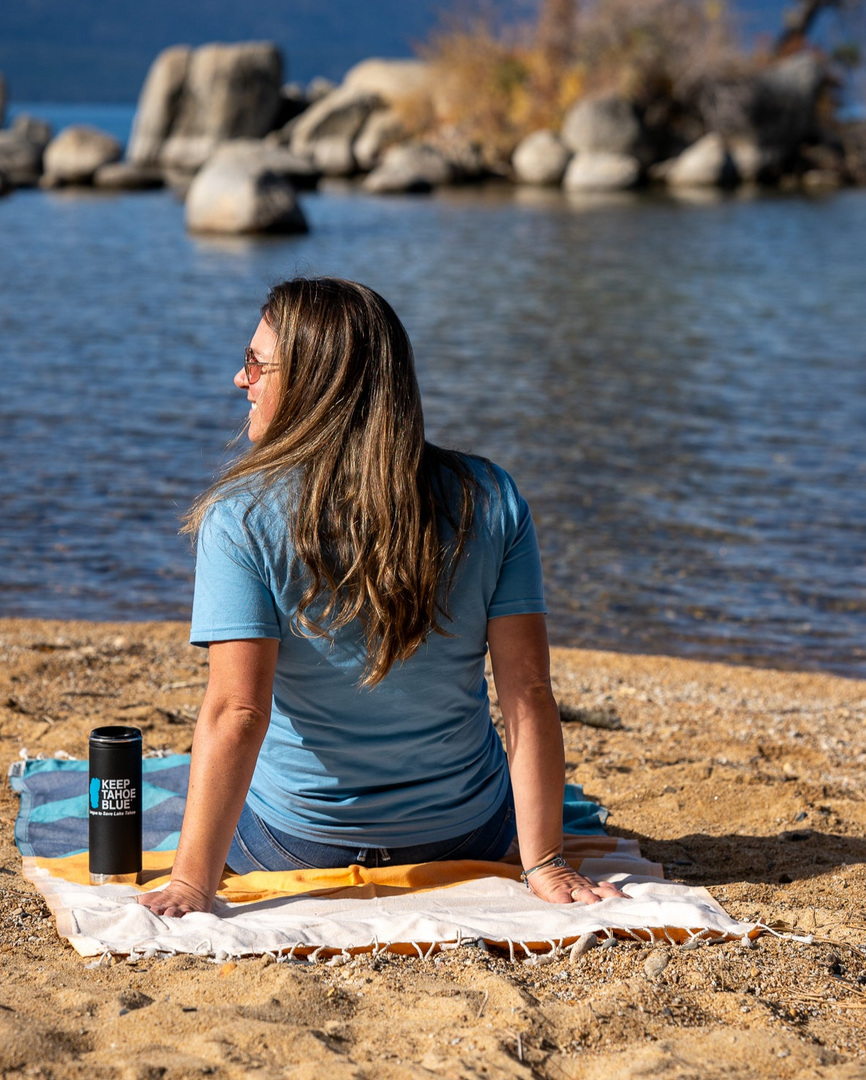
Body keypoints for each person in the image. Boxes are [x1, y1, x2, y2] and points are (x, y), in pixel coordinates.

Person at [140, 277, 627, 917]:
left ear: (317, 385)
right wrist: (543, 860)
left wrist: (191, 885)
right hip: (464, 833)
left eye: (257, 362)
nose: (240, 378)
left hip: (297, 844)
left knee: (186, 774)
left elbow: (237, 713)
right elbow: (527, 692)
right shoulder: (490, 497)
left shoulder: (242, 518)